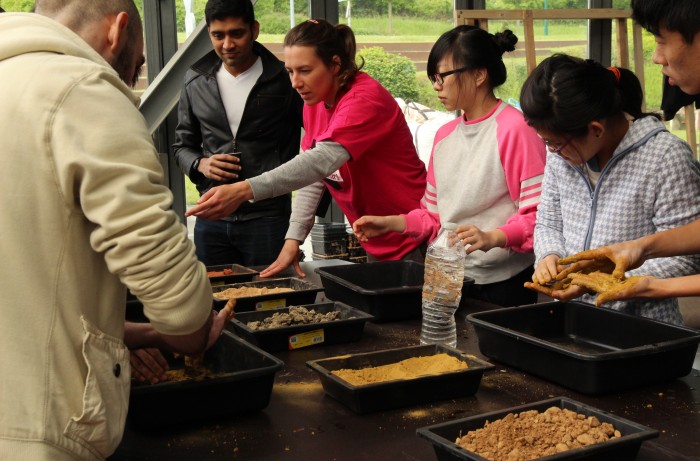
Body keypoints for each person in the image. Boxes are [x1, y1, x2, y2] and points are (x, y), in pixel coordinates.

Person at [0, 1, 230, 461]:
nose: (130, 80)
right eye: (137, 64)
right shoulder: (83, 91)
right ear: (118, 30)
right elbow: (175, 297)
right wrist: (189, 332)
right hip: (38, 435)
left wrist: (143, 336)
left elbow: (29, 295)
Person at [185, 19, 427, 277]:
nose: (295, 82)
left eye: (305, 70)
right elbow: (316, 177)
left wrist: (244, 189)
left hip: (417, 236)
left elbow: (320, 161)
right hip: (378, 238)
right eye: (290, 71)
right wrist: (293, 240)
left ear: (334, 65)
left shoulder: (364, 99)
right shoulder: (315, 102)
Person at [352, 26, 546, 307]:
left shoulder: (514, 129)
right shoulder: (445, 136)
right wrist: (391, 223)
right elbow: (434, 219)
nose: (436, 86)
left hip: (502, 284)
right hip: (449, 277)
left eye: (443, 76)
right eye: (433, 78)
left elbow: (539, 218)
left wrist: (494, 237)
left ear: (479, 74)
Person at [520, 54, 700, 325]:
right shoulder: (562, 157)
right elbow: (548, 222)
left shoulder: (665, 158)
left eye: (555, 144)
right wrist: (549, 255)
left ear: (595, 130)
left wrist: (603, 281)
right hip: (573, 324)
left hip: (641, 329)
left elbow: (686, 261)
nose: (551, 152)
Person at [553, 0, 700, 307]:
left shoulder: (666, 155)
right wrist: (641, 248)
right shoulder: (558, 162)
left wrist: (649, 285)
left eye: (661, 41)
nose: (657, 57)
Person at [173, 0, 303, 267]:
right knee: (215, 302)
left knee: (273, 302)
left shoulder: (284, 79)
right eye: (218, 35)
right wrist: (201, 164)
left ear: (254, 30)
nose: (227, 44)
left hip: (268, 218)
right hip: (212, 218)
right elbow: (181, 147)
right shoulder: (195, 79)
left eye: (236, 33)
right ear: (208, 32)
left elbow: (318, 146)